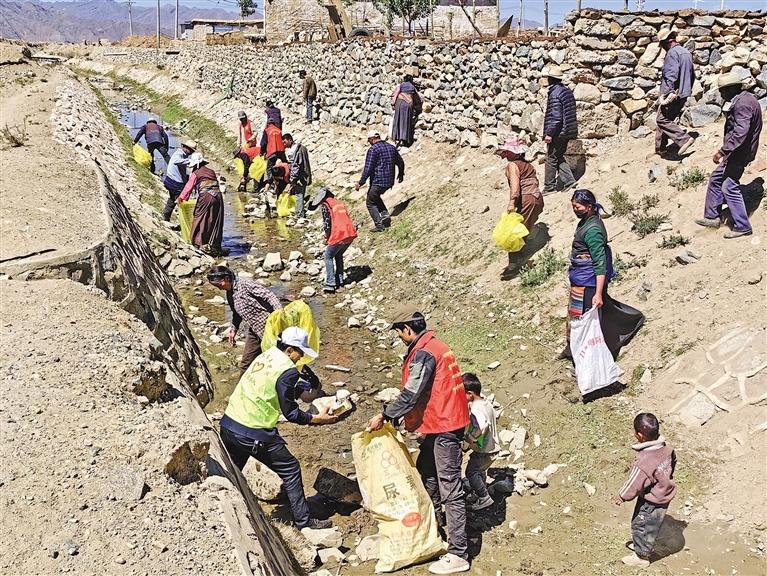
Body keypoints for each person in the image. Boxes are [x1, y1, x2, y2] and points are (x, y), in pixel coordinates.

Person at [366, 306, 471, 575]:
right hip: (442, 421)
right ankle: (433, 526)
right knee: (427, 472)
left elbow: (411, 393)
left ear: (407, 329)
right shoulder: (435, 345)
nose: (399, 337)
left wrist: (386, 415)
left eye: (399, 332)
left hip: (446, 426)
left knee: (450, 487)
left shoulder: (424, 353)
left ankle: (459, 553)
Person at [219, 326, 337, 531]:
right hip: (254, 431)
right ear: (290, 350)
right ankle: (304, 521)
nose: (301, 358)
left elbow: (273, 384)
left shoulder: (267, 355)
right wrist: (317, 419)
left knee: (233, 470)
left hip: (230, 424)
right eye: (300, 353)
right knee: (291, 469)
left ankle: (226, 509)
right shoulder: (288, 370)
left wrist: (303, 389)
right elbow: (291, 414)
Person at [562, 189, 644, 361]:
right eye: (573, 207)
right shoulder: (587, 222)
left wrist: (598, 293)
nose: (575, 210)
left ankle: (588, 356)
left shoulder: (593, 230)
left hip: (589, 282)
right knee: (583, 315)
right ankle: (573, 349)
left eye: (578, 207)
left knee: (585, 320)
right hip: (581, 279)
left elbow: (600, 264)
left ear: (589, 207)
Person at [695, 72, 763, 239]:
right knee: (716, 179)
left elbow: (740, 133)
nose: (721, 94)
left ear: (731, 89)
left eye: (722, 90)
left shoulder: (743, 104)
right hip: (738, 152)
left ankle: (742, 226)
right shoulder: (746, 99)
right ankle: (712, 217)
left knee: (729, 186)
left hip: (739, 153)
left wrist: (722, 151)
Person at [613, 413, 676, 568]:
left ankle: (641, 556)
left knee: (641, 525)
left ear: (640, 435)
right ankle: (642, 545)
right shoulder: (667, 450)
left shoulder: (644, 462)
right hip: (664, 493)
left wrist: (622, 496)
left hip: (652, 499)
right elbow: (673, 463)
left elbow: (634, 482)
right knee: (651, 523)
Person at [206, 266, 283, 376]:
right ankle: (244, 386)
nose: (219, 289)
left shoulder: (245, 284)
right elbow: (236, 313)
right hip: (255, 331)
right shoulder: (229, 293)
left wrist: (279, 311)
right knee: (246, 364)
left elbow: (268, 295)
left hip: (271, 328)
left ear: (226, 279)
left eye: (219, 285)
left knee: (279, 359)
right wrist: (234, 329)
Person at [495, 136, 544, 268]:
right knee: (524, 227)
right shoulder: (529, 165)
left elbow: (515, 186)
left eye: (508, 151)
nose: (505, 154)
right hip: (537, 198)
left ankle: (513, 264)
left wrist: (512, 202)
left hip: (525, 199)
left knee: (514, 231)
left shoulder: (513, 165)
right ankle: (523, 255)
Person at [653, 29, 696, 159]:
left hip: (673, 93)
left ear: (666, 42)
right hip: (683, 92)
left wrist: (667, 94)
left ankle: (684, 139)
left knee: (661, 119)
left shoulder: (672, 53)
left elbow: (670, 76)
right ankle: (660, 149)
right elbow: (692, 75)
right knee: (666, 118)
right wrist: (686, 89)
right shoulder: (685, 52)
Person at [307, 187, 358, 294]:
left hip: (339, 233)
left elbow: (327, 224)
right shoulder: (339, 203)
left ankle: (330, 283)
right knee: (338, 254)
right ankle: (340, 281)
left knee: (328, 256)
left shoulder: (326, 205)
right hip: (350, 233)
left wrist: (327, 237)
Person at [462, 373, 499, 512]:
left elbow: (482, 425)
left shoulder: (476, 409)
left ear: (470, 394)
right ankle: (478, 492)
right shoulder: (486, 403)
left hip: (485, 450)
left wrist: (470, 438)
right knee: (479, 470)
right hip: (492, 446)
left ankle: (484, 497)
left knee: (471, 472)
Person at [177, 153, 226, 256]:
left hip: (206, 196)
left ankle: (198, 243)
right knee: (213, 219)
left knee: (199, 217)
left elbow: (189, 186)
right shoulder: (211, 171)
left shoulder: (196, 173)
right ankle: (214, 244)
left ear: (196, 164)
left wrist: (181, 198)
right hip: (218, 197)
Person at [355, 131, 405, 233]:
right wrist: (401, 174)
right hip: (389, 181)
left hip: (378, 181)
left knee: (370, 202)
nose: (369, 143)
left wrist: (361, 182)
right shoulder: (391, 147)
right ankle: (385, 215)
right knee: (375, 196)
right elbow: (400, 162)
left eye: (369, 140)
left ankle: (379, 226)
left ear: (372, 139)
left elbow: (368, 168)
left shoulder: (373, 150)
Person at [542, 65, 577, 195]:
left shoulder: (555, 94)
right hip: (567, 131)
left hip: (558, 132)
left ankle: (549, 187)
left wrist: (549, 133)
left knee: (551, 157)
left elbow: (556, 117)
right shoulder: (566, 91)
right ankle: (569, 181)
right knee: (558, 155)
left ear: (551, 79)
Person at [162, 139, 196, 221]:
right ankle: (185, 220)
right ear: (185, 147)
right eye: (191, 150)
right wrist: (190, 161)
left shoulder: (183, 155)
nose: (191, 152)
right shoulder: (178, 154)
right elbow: (176, 161)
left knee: (172, 199)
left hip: (171, 181)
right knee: (181, 201)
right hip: (174, 183)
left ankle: (166, 216)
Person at [283, 133, 312, 218]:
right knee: (300, 194)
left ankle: (300, 215)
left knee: (299, 195)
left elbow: (295, 166)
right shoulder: (302, 148)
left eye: (285, 142)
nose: (284, 144)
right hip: (304, 174)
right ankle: (299, 212)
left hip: (299, 177)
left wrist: (293, 179)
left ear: (290, 140)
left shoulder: (293, 151)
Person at [391, 74, 423, 148]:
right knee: (406, 121)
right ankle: (405, 139)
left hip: (399, 103)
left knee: (398, 120)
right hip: (408, 105)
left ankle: (397, 137)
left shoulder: (401, 85)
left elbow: (395, 94)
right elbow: (417, 97)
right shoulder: (412, 87)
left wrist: (393, 103)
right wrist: (418, 105)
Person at [260, 118, 287, 186]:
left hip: (272, 152)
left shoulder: (267, 130)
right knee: (284, 166)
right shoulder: (279, 130)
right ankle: (284, 180)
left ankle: (270, 183)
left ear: (268, 124)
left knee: (269, 168)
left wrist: (262, 152)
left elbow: (263, 143)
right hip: (281, 152)